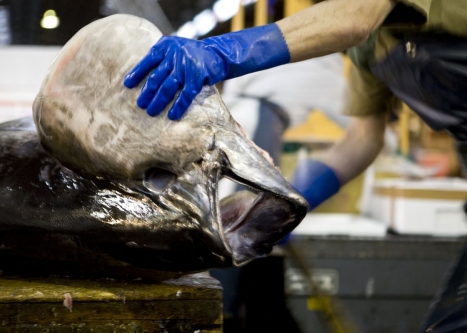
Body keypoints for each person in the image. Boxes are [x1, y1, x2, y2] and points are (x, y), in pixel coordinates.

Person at [124, 1, 467, 330]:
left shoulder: (352, 25)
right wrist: (290, 201)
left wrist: (222, 51)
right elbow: (363, 139)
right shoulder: (371, 50)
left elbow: (356, 18)